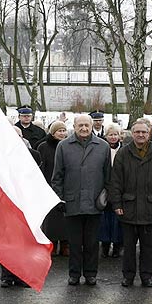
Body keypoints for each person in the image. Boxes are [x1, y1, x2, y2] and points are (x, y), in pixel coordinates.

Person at [109, 118, 152, 287]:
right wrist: (117, 204)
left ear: (149, 133)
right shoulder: (123, 153)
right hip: (128, 207)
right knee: (129, 247)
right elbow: (115, 181)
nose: (140, 135)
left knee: (148, 247)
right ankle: (128, 276)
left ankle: (146, 276)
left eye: (144, 132)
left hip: (150, 208)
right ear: (132, 133)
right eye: (137, 132)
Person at [52, 114, 111, 285]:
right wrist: (60, 199)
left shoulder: (103, 146)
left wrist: (107, 199)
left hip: (95, 203)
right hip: (72, 203)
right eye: (80, 125)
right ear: (74, 126)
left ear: (92, 126)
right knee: (75, 243)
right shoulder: (63, 146)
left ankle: (91, 273)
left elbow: (108, 176)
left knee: (92, 242)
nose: (84, 128)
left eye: (87, 125)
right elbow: (57, 176)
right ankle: (74, 273)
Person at [0, 127, 42, 287]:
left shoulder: (34, 155)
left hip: (28, 203)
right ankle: (7, 275)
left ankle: (23, 275)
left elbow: (40, 180)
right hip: (7, 203)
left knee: (26, 241)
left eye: (18, 136)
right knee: (7, 241)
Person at [36, 121, 69, 256]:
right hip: (48, 185)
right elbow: (40, 167)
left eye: (63, 130)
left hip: (66, 186)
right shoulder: (43, 147)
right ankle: (53, 243)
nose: (62, 133)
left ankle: (65, 244)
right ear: (53, 132)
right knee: (51, 219)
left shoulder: (68, 146)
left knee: (65, 218)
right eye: (59, 131)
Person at [99, 123, 124, 258]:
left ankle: (117, 245)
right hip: (104, 188)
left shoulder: (124, 150)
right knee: (105, 219)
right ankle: (105, 244)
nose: (113, 137)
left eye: (115, 134)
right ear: (106, 136)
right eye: (110, 135)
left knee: (117, 219)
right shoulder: (101, 150)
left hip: (120, 189)